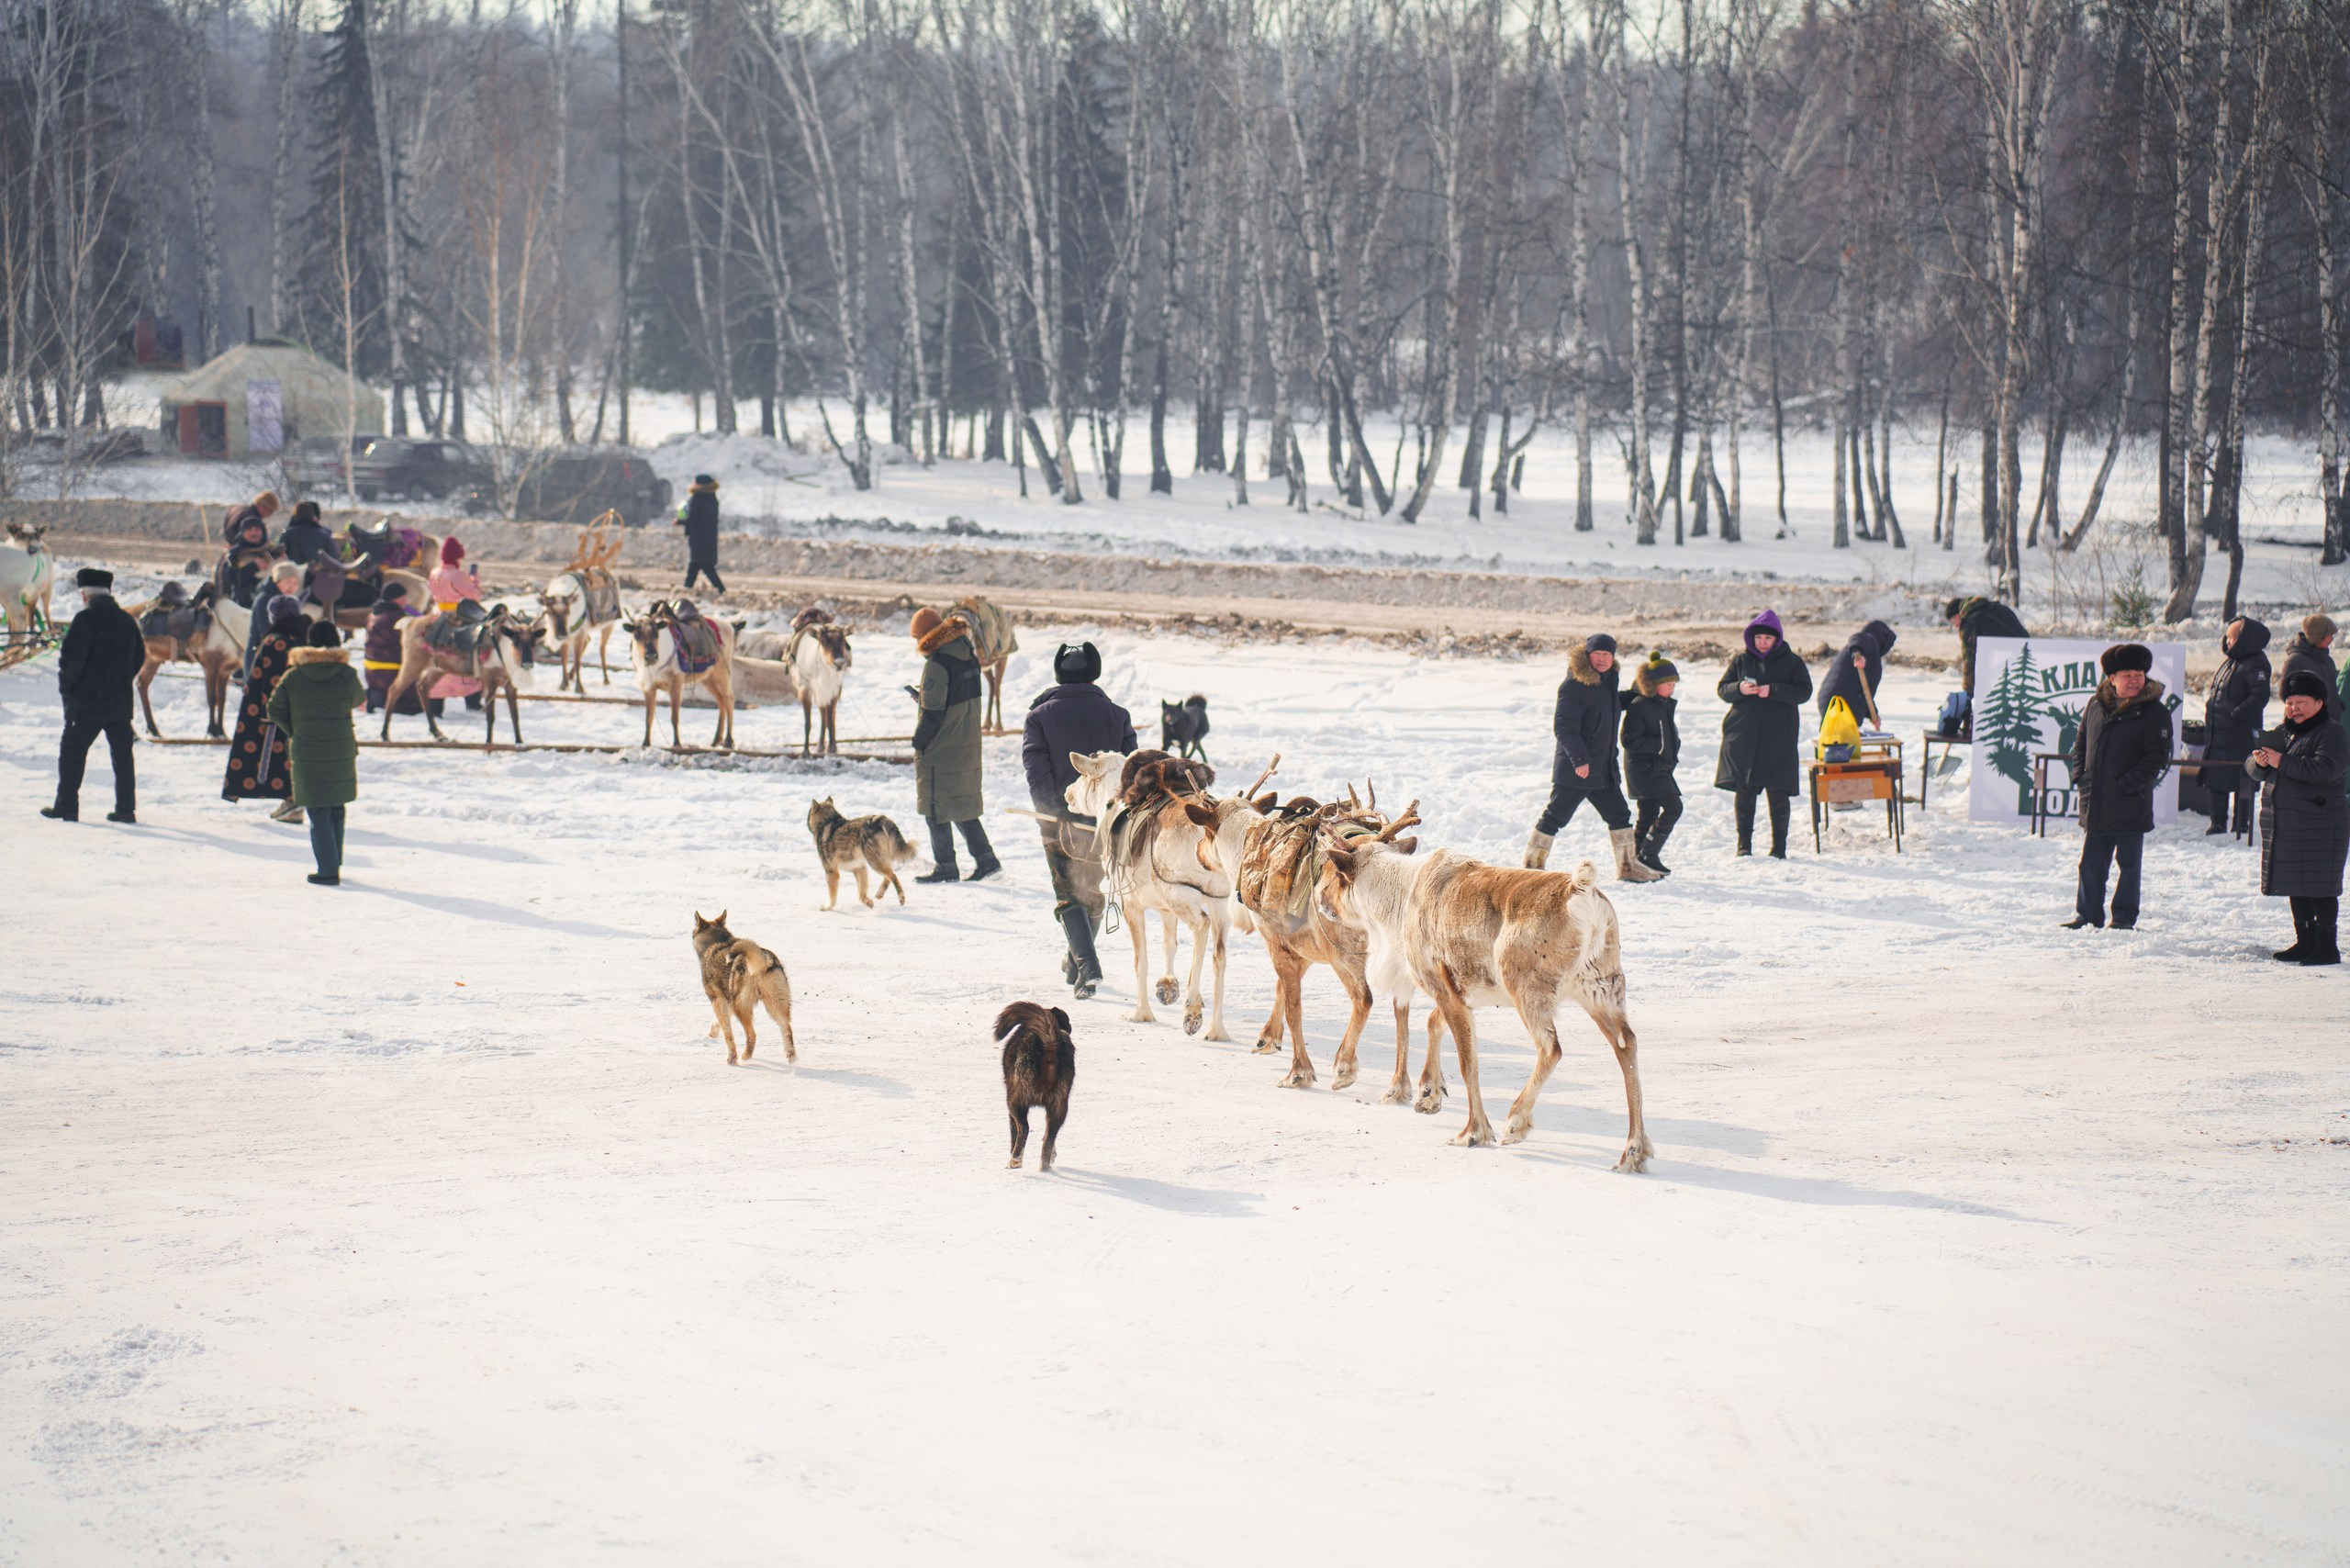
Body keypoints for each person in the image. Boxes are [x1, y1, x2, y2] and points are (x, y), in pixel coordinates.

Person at [1022, 641, 1137, 996]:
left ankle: (1087, 968)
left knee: (1068, 894)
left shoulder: (1038, 717)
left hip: (1059, 820)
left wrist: (1053, 815)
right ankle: (1076, 961)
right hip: (1109, 820)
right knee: (1095, 892)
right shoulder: (1117, 715)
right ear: (1095, 672)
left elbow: (1036, 772)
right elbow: (1130, 771)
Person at [1525, 633, 1658, 882]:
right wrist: (1579, 760)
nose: (1602, 659)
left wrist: (1639, 690)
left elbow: (1611, 704)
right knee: (1556, 816)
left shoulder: (1607, 681)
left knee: (1619, 815)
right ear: (1587, 655)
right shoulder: (1574, 684)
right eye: (1597, 654)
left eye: (1607, 655)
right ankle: (1532, 866)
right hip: (1577, 770)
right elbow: (1564, 727)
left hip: (1603, 769)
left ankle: (1628, 866)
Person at [2063, 643, 2172, 931]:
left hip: (2129, 802)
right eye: (2127, 674)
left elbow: (2157, 757)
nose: (2135, 679)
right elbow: (2080, 742)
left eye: (2139, 673)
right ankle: (2087, 915)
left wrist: (2127, 785)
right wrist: (2080, 777)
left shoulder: (2154, 712)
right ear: (2112, 678)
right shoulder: (2096, 704)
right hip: (2096, 799)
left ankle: (2123, 918)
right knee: (2090, 864)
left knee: (2128, 865)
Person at [2245, 671, 2348, 964]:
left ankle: (2327, 946)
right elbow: (2253, 770)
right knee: (2296, 884)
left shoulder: (2332, 733)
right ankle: (2305, 942)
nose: (2294, 709)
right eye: (2289, 703)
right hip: (2289, 823)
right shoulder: (2285, 732)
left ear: (2319, 702)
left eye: (2301, 702)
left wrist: (2281, 760)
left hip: (2322, 823)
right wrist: (2260, 761)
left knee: (2320, 886)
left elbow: (2325, 769)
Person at [41, 567, 146, 824]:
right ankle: (125, 810)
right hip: (120, 702)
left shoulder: (84, 620)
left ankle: (66, 807)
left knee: (72, 754)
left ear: (84, 595)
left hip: (86, 703)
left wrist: (68, 689)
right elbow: (139, 657)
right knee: (122, 757)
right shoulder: (126, 620)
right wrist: (122, 679)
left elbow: (71, 661)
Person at [268, 620, 365, 887]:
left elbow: (274, 709)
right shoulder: (346, 673)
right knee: (336, 805)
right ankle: (335, 861)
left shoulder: (294, 675)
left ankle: (327, 869)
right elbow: (357, 700)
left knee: (318, 809)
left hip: (307, 748)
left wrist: (295, 729)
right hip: (341, 747)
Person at [911, 605, 999, 883]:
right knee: (960, 803)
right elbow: (954, 700)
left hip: (942, 746)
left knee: (934, 806)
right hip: (966, 741)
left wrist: (919, 742)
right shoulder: (966, 654)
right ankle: (987, 860)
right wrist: (922, 697)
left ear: (925, 636)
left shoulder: (937, 663)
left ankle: (946, 866)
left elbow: (934, 712)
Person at [1715, 610, 1813, 857]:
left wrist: (1774, 691)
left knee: (1779, 794)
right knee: (1745, 792)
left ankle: (1779, 848)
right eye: (1758, 638)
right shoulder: (1741, 661)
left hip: (1778, 739)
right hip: (1744, 739)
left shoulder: (1793, 662)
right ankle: (1743, 845)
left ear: (1776, 639)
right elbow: (1723, 690)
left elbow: (1804, 692)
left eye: (1767, 639)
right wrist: (1740, 688)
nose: (1762, 643)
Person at [224, 594, 308, 821]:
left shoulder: (276, 641)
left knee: (274, 758)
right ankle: (292, 802)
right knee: (294, 758)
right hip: (302, 713)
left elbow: (270, 682)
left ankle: (292, 803)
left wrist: (268, 714)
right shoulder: (303, 638)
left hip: (274, 714)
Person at [2200, 617, 2271, 836]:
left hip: (2239, 734)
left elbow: (2260, 696)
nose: (2227, 641)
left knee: (2243, 779)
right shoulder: (2232, 660)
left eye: (2232, 637)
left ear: (2244, 639)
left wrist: (2236, 714)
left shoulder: (2256, 662)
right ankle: (2218, 822)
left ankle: (2241, 823)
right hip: (2218, 733)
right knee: (2216, 778)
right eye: (2227, 637)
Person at [1620, 652, 1682, 875]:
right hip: (1644, 770)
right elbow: (1629, 739)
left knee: (1648, 813)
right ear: (1654, 684)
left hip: (1657, 768)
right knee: (1674, 807)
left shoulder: (1661, 704)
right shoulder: (1641, 705)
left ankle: (1634, 861)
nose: (1672, 688)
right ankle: (1650, 852)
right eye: (1667, 684)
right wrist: (1659, 746)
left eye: (1674, 684)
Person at [1946, 595, 2031, 722]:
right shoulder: (1993, 608)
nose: (1956, 625)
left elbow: (1969, 659)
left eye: (1954, 620)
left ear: (1959, 613)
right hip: (2027, 657)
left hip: (2005, 663)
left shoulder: (1969, 622)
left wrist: (1968, 691)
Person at [427, 537, 484, 712]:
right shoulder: (458, 575)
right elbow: (474, 596)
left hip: (437, 617)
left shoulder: (434, 572)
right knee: (470, 656)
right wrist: (474, 580)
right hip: (457, 618)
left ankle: (436, 703)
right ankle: (472, 700)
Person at [1818, 619, 1897, 727]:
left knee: (1832, 739)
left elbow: (1865, 692)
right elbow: (1857, 638)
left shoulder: (1870, 654)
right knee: (1842, 740)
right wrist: (1857, 655)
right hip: (1843, 703)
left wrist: (1874, 715)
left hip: (1831, 701)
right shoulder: (1870, 640)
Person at [363, 582, 421, 714]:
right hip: (389, 672)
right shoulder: (395, 619)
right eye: (403, 597)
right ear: (395, 598)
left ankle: (376, 696)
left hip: (372, 673)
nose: (405, 600)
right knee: (416, 704)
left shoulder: (373, 615)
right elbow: (408, 644)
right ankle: (381, 699)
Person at [245, 560, 305, 676]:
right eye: (287, 582)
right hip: (262, 660)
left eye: (295, 583)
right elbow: (267, 633)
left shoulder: (287, 600)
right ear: (277, 581)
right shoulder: (266, 600)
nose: (291, 587)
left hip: (277, 656)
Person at [2279, 613, 2340, 724]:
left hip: (2330, 723)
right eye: (2329, 635)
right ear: (2318, 637)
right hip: (2306, 726)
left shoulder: (2327, 660)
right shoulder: (2295, 661)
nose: (2332, 639)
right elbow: (2285, 695)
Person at [217, 509, 276, 610]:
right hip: (243, 604)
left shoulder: (269, 551)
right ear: (242, 533)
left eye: (257, 529)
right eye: (249, 529)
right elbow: (231, 579)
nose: (254, 532)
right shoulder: (234, 553)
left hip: (269, 603)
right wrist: (253, 567)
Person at [677, 474, 724, 593]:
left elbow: (693, 520)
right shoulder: (712, 498)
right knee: (698, 564)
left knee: (702, 565)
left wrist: (679, 521)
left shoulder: (697, 499)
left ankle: (720, 589)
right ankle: (687, 588)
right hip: (709, 536)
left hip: (698, 537)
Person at [277, 498, 335, 566]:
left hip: (294, 573)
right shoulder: (324, 534)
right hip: (317, 573)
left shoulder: (287, 533)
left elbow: (279, 550)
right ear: (313, 515)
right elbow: (333, 555)